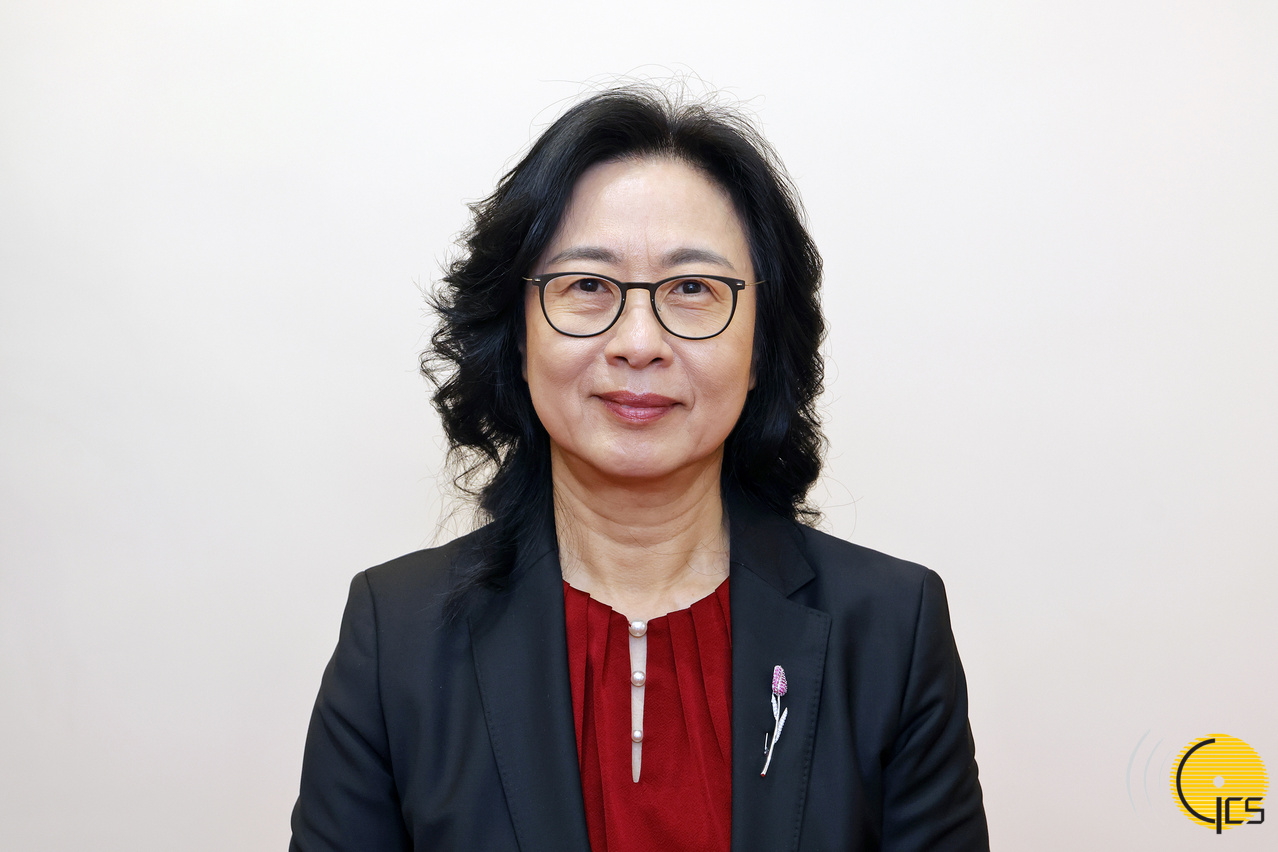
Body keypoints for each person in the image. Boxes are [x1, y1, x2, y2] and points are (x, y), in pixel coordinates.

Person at [290, 86, 989, 852]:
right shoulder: (396, 637)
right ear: (518, 334)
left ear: (761, 345)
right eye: (588, 285)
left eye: (692, 289)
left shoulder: (890, 631)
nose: (638, 343)